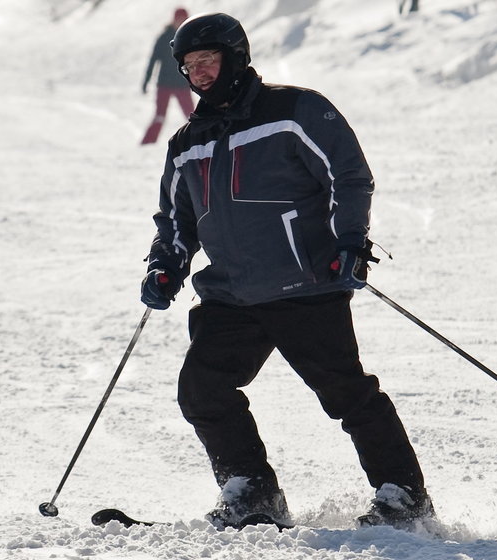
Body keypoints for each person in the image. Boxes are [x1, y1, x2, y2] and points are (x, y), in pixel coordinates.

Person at [139, 12, 435, 531]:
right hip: (231, 294)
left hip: (304, 282)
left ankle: (403, 495)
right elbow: (176, 217)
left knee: (345, 393)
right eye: (189, 66)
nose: (199, 73)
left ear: (235, 56)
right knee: (202, 391)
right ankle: (252, 492)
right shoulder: (188, 141)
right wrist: (167, 262)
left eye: (207, 60)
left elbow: (349, 174)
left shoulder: (295, 110)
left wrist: (349, 241)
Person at [139, 7, 195, 145]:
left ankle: (200, 139)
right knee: (159, 116)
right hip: (164, 84)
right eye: (179, 19)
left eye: (184, 19)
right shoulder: (164, 37)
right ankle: (147, 143)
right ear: (174, 20)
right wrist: (146, 80)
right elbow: (154, 59)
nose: (181, 22)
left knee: (192, 116)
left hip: (182, 84)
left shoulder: (190, 37)